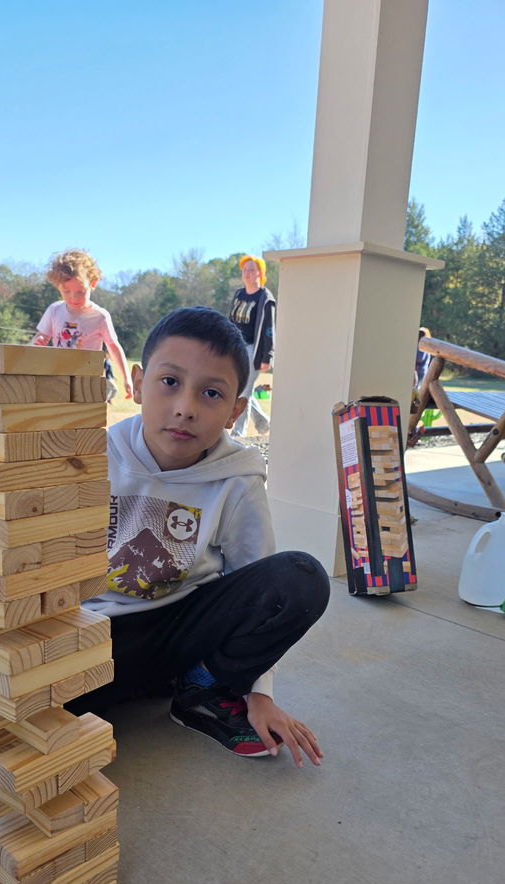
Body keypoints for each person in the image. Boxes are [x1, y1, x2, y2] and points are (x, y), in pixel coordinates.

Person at [76, 306, 330, 766]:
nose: (185, 408)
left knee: (300, 577)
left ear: (235, 410)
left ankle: (202, 689)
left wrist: (258, 691)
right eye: (169, 382)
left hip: (181, 633)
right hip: (95, 637)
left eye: (211, 393)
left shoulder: (238, 478)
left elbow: (256, 578)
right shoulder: (91, 456)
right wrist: (2, 704)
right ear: (137, 382)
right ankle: (126, 690)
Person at [29, 248, 132, 400]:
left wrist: (126, 378)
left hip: (88, 382)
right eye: (66, 291)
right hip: (58, 378)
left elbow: (113, 347)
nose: (73, 298)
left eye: (80, 291)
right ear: (58, 286)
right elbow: (40, 338)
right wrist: (35, 344)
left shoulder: (100, 316)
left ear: (93, 283)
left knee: (85, 420)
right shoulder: (54, 310)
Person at [228, 254, 275, 437]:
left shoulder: (265, 297)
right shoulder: (239, 294)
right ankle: (263, 423)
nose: (248, 273)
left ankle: (238, 433)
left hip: (253, 350)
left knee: (244, 391)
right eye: (245, 270)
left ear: (260, 273)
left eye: (252, 270)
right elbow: (231, 320)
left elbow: (269, 328)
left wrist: (267, 356)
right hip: (235, 347)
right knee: (241, 388)